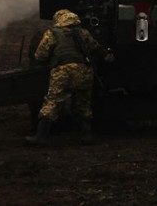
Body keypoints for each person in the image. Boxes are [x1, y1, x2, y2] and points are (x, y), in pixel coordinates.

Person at [25, 9, 108, 146]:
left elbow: (40, 55)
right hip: (84, 70)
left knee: (52, 102)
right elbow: (96, 48)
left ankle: (41, 136)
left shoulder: (53, 33)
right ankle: (86, 135)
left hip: (63, 71)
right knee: (83, 103)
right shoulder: (83, 32)